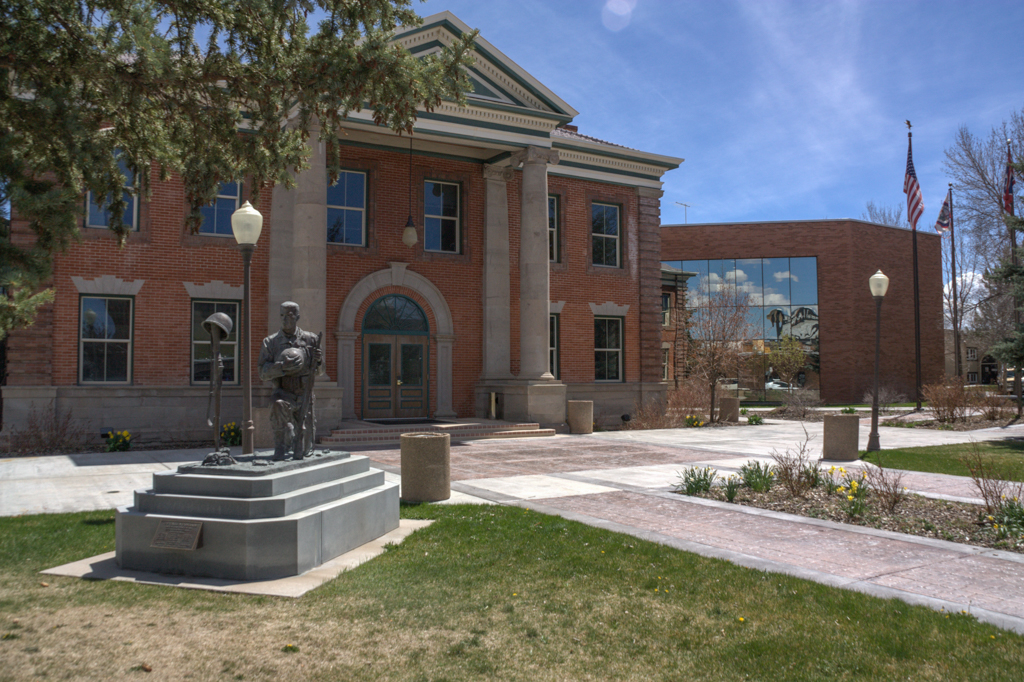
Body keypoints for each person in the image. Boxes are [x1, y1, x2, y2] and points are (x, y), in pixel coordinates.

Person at [258, 301, 324, 460]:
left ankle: (299, 443)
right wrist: (281, 367)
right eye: (281, 315)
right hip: (283, 391)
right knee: (277, 405)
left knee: (305, 452)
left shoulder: (311, 339)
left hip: (305, 394)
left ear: (297, 317)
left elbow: (320, 372)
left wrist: (319, 362)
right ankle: (280, 447)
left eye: (289, 315)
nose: (285, 319)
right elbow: (262, 373)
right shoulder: (270, 342)